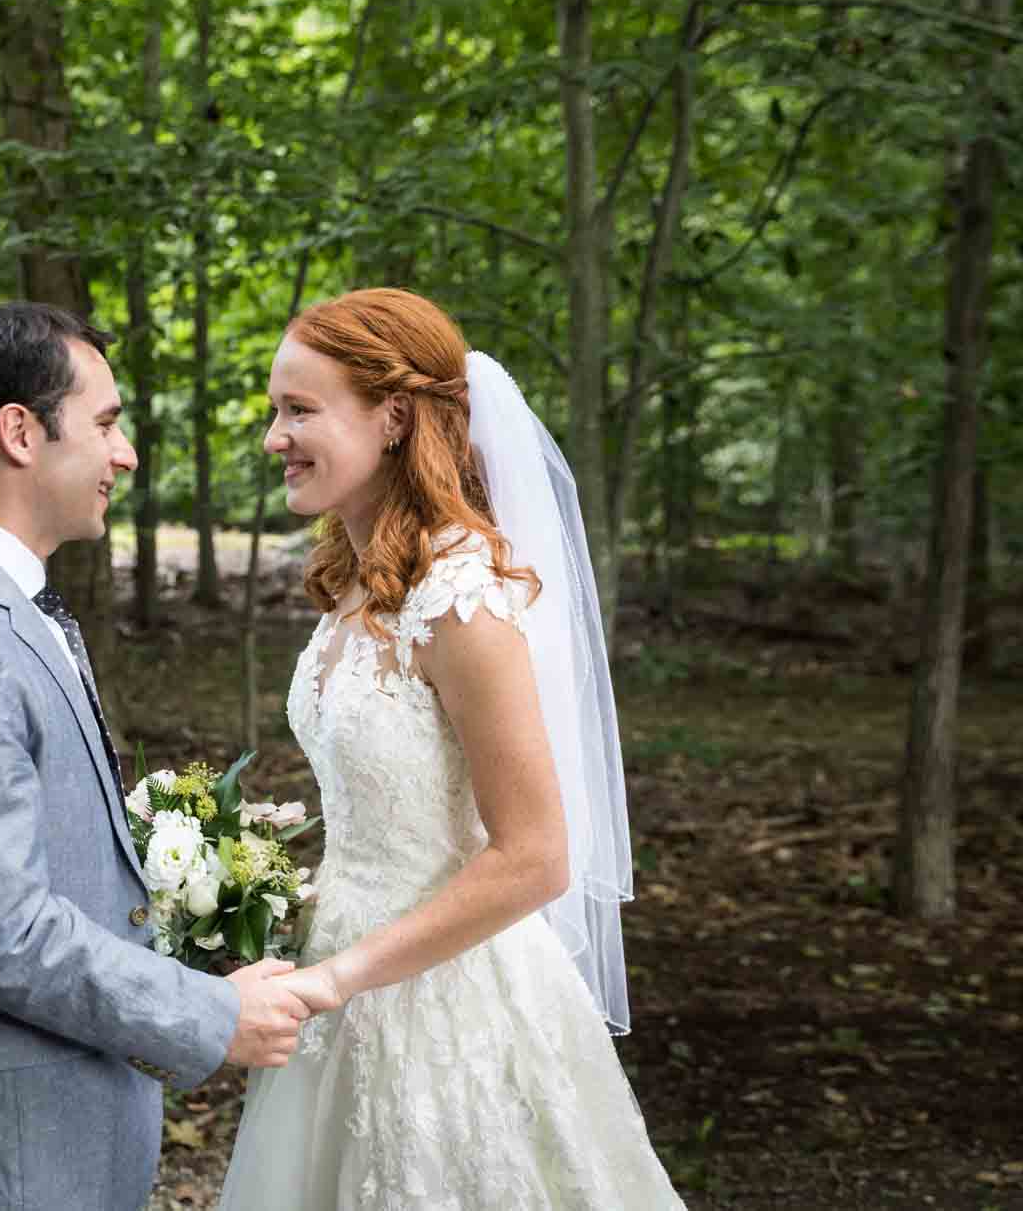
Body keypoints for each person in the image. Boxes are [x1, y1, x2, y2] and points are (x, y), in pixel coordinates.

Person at [0, 302, 311, 1211]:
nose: (125, 454)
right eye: (107, 423)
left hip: (45, 1115)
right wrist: (208, 1014)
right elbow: (0, 935)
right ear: (19, 432)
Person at [220, 288, 684, 1209]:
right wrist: (265, 902)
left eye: (300, 409)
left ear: (392, 417)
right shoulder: (355, 583)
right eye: (276, 410)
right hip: (337, 982)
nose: (275, 436)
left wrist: (341, 977)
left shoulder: (460, 596)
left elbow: (538, 856)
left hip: (448, 1003)